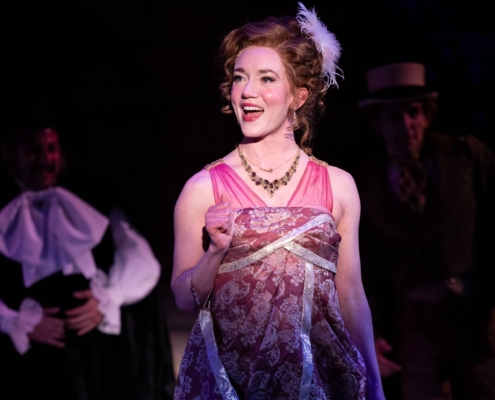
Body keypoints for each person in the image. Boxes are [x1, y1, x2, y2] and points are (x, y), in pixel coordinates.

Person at [171, 4, 384, 399]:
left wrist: (373, 383)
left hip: (319, 380)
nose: (247, 92)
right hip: (232, 382)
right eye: (239, 79)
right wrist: (214, 252)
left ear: (298, 96)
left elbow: (351, 294)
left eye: (266, 79)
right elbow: (184, 298)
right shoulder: (203, 188)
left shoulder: (338, 186)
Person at [0, 118, 175, 399]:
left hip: (96, 350)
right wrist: (12, 321)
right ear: (9, 154)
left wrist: (109, 298)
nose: (45, 159)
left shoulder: (94, 197)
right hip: (29, 357)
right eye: (33, 151)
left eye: (51, 148)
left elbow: (139, 257)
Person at [356, 61, 495, 400]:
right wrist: (370, 333)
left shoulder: (465, 155)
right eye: (392, 116)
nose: (404, 125)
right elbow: (365, 266)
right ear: (377, 123)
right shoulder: (366, 182)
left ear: (427, 115)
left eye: (412, 112)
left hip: (475, 310)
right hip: (416, 320)